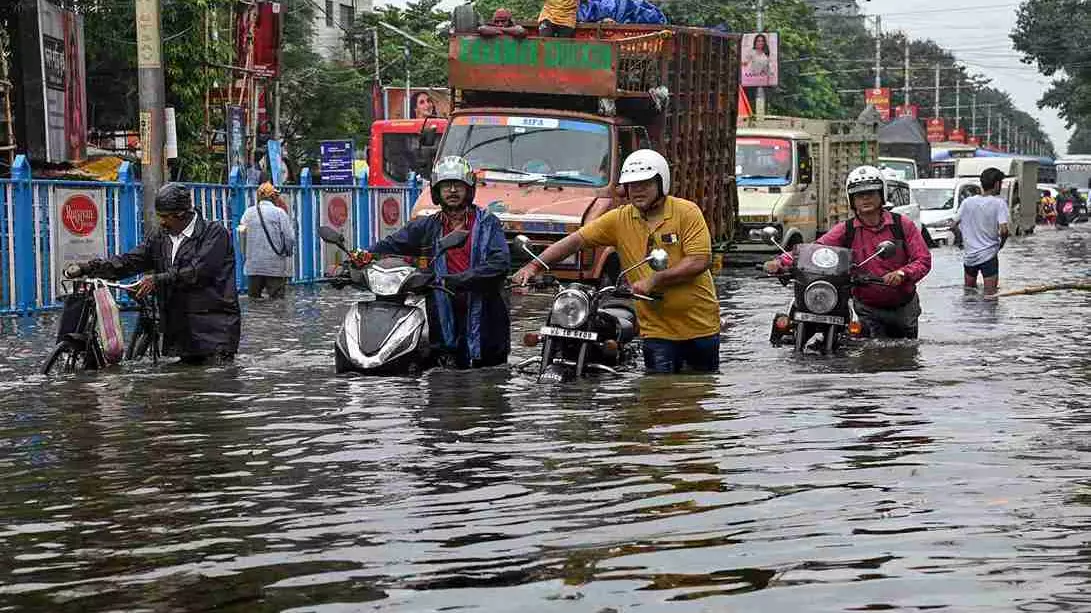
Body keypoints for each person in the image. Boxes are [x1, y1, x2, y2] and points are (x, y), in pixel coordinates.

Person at [512, 149, 722, 374]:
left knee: (701, 392)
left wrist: (655, 280)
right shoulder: (619, 219)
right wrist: (534, 266)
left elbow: (699, 260)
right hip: (657, 330)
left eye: (645, 184)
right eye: (632, 185)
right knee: (658, 395)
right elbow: (575, 241)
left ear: (661, 183)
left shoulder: (686, 212)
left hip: (700, 326)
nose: (638, 190)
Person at [64, 183, 241, 364]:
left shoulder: (214, 234)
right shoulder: (160, 237)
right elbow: (129, 261)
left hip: (214, 331)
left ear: (182, 215)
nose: (162, 222)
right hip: (182, 333)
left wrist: (157, 280)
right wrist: (88, 268)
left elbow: (197, 272)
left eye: (166, 217)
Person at [368, 156, 511, 368]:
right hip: (443, 312)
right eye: (446, 186)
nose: (452, 191)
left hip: (486, 315)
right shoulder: (426, 226)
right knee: (442, 377)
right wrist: (358, 259)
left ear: (469, 189)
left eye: (458, 185)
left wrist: (455, 280)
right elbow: (388, 246)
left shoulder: (488, 223)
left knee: (487, 382)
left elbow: (500, 264)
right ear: (436, 191)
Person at [764, 165, 932, 339]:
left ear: (881, 195)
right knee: (862, 353)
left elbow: (923, 259)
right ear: (852, 199)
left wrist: (902, 273)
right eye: (859, 195)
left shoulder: (902, 225)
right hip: (865, 308)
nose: (865, 198)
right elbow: (815, 249)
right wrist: (780, 262)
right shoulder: (846, 229)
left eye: (871, 193)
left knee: (905, 357)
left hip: (902, 307)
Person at [953, 168, 1010, 296]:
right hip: (989, 255)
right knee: (991, 296)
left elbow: (953, 225)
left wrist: (961, 240)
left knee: (969, 294)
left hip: (969, 257)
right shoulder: (999, 203)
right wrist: (1002, 243)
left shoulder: (967, 202)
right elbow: (1004, 230)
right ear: (996, 184)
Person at [239, 182, 296, 299]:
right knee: (277, 304)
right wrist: (288, 253)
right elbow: (289, 238)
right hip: (275, 267)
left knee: (253, 303)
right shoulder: (279, 213)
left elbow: (241, 234)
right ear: (273, 197)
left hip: (253, 267)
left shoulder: (247, 213)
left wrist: (247, 254)